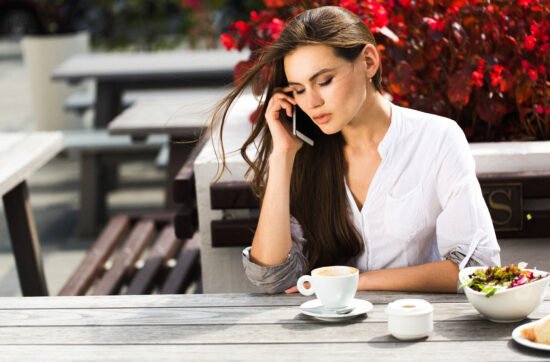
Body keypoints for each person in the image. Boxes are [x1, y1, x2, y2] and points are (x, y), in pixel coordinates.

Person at [210, 6, 501, 294]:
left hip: (413, 326)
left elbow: (476, 268)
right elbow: (271, 278)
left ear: (369, 62)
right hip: (323, 333)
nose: (311, 102)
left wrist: (356, 282)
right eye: (298, 89)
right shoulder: (304, 153)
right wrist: (282, 155)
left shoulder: (437, 139)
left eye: (323, 81)